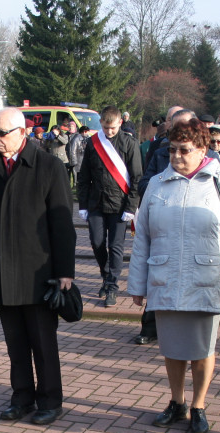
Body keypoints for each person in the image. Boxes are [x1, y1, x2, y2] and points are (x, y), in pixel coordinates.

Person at [128, 119, 220, 433]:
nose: (177, 156)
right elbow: (143, 239)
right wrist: (137, 284)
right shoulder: (157, 184)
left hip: (205, 278)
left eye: (185, 150)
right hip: (165, 278)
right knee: (172, 347)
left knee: (202, 348)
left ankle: (199, 405)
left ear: (203, 149)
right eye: (173, 150)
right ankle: (176, 402)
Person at [0, 107, 76, 426]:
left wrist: (64, 272)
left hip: (38, 271)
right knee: (15, 342)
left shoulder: (48, 166)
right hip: (1, 269)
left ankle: (50, 399)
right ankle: (21, 397)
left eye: (1, 133)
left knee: (43, 341)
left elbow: (61, 223)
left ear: (22, 132)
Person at [77, 105, 142, 307]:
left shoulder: (129, 144)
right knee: (97, 243)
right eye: (105, 128)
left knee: (115, 247)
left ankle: (112, 286)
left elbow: (137, 177)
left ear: (120, 123)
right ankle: (106, 276)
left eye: (112, 128)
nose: (109, 132)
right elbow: (84, 176)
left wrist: (131, 207)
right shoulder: (93, 144)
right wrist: (83, 204)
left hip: (120, 205)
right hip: (96, 203)